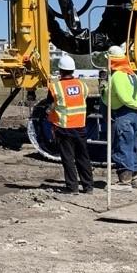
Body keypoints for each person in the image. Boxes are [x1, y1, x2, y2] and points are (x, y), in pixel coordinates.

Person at [44, 54, 94, 194]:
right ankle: (88, 186)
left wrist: (50, 115)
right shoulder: (82, 85)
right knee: (83, 157)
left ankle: (72, 188)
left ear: (60, 70)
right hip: (80, 127)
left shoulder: (55, 87)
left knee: (68, 158)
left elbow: (49, 107)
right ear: (73, 70)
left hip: (64, 128)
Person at [100, 44, 137, 188]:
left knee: (123, 146)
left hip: (124, 114)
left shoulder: (118, 76)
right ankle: (134, 178)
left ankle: (124, 181)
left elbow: (123, 97)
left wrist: (104, 89)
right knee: (132, 146)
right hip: (135, 115)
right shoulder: (131, 75)